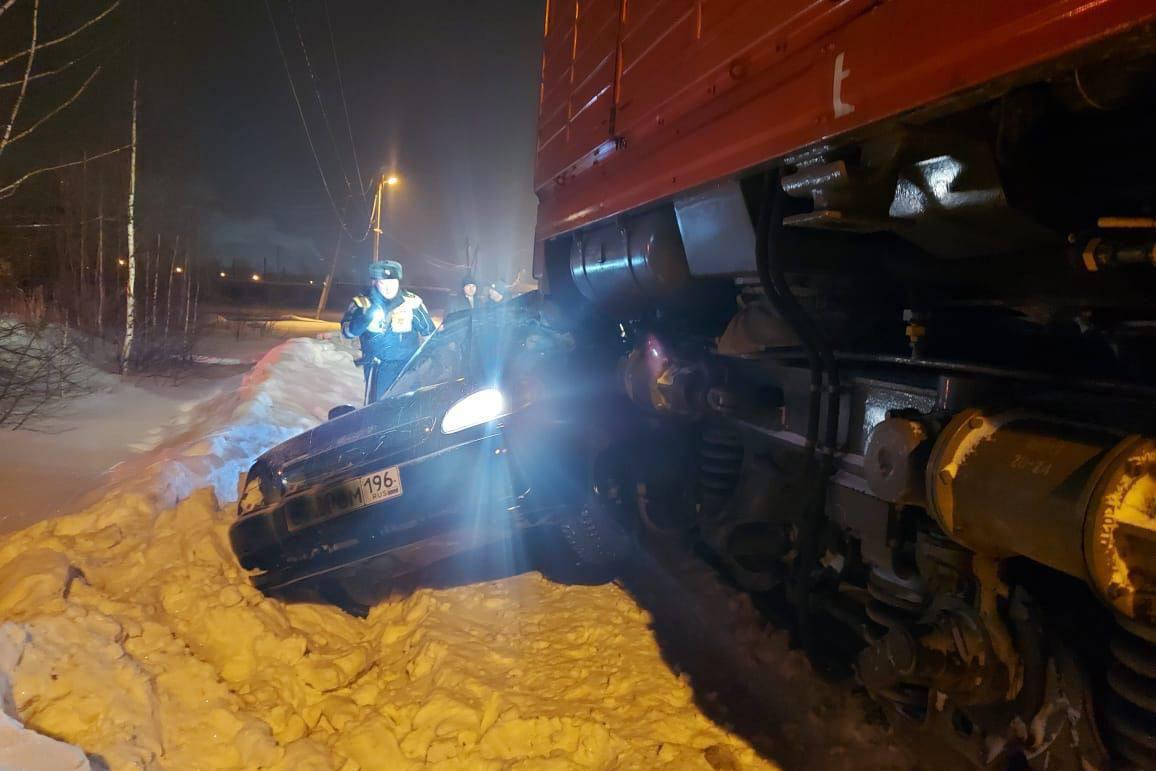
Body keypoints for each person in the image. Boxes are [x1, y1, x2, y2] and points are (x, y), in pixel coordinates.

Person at [341, 260, 435, 404]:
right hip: (377, 370)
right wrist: (362, 319)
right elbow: (347, 333)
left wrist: (434, 355)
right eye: (383, 283)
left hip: (407, 369)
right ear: (374, 283)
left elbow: (430, 333)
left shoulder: (412, 303)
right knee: (378, 411)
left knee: (409, 408)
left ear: (398, 281)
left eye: (392, 282)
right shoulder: (361, 303)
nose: (388, 288)